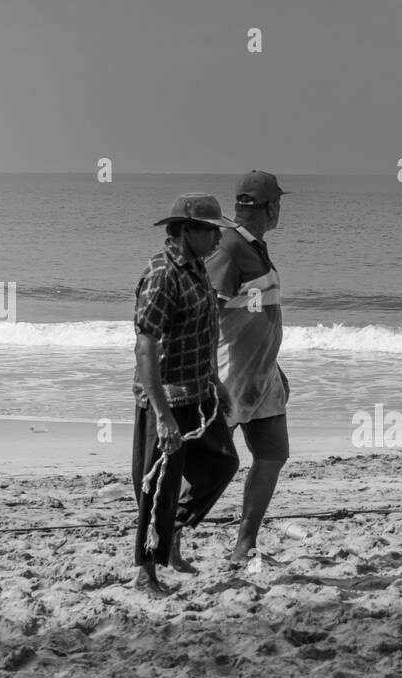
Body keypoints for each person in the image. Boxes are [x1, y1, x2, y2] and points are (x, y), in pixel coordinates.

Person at [131, 192, 239, 595]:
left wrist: (215, 381)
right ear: (186, 230)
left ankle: (173, 530)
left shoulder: (196, 267)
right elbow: (145, 347)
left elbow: (203, 332)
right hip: (167, 399)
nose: (217, 239)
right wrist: (162, 416)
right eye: (211, 231)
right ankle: (146, 573)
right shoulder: (162, 275)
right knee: (158, 487)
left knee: (223, 464)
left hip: (199, 391)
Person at [192, 170, 292, 566]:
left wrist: (273, 364)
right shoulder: (230, 247)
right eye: (278, 203)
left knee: (272, 454)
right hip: (230, 376)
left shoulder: (253, 245)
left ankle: (245, 544)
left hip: (262, 377)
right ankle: (172, 536)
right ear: (270, 207)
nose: (279, 210)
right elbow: (207, 315)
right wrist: (207, 376)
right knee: (211, 463)